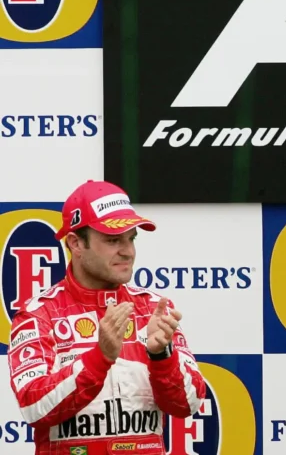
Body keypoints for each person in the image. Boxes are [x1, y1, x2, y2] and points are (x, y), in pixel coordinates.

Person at [7, 180, 207, 455]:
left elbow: (187, 404)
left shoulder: (153, 308)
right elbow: (33, 408)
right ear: (76, 243)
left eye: (131, 239)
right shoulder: (39, 315)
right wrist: (100, 358)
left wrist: (162, 357)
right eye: (113, 240)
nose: (128, 251)